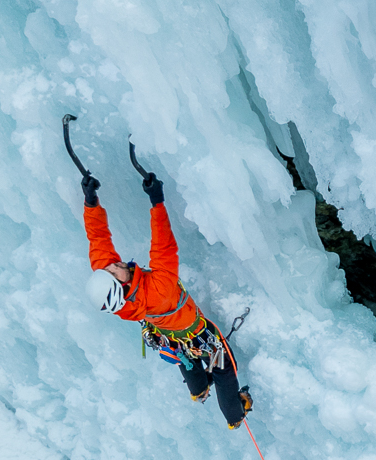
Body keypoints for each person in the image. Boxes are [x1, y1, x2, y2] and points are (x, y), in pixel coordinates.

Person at [81, 163, 252, 428]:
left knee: (183, 352)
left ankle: (198, 390)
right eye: (114, 270)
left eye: (110, 267)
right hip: (197, 332)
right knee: (224, 368)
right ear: (122, 287)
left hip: (168, 335)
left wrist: (91, 203)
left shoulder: (115, 291)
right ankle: (236, 414)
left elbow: (98, 240)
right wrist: (156, 201)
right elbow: (163, 245)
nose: (115, 264)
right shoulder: (159, 288)